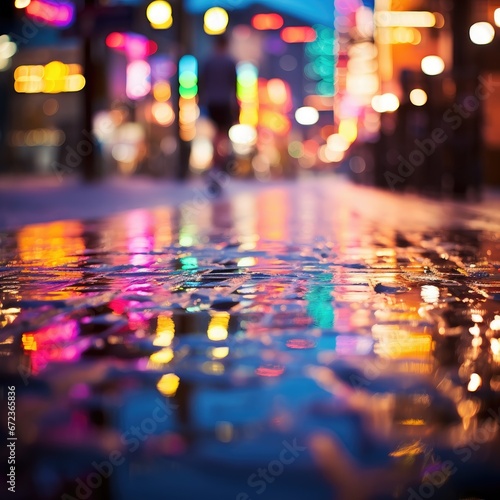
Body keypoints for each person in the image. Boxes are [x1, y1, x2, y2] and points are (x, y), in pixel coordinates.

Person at [199, 34, 239, 176]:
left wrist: (201, 102)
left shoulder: (208, 61)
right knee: (224, 134)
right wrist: (236, 106)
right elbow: (235, 86)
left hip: (211, 103)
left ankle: (215, 163)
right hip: (225, 103)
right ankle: (221, 162)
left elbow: (201, 83)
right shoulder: (230, 62)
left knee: (215, 134)